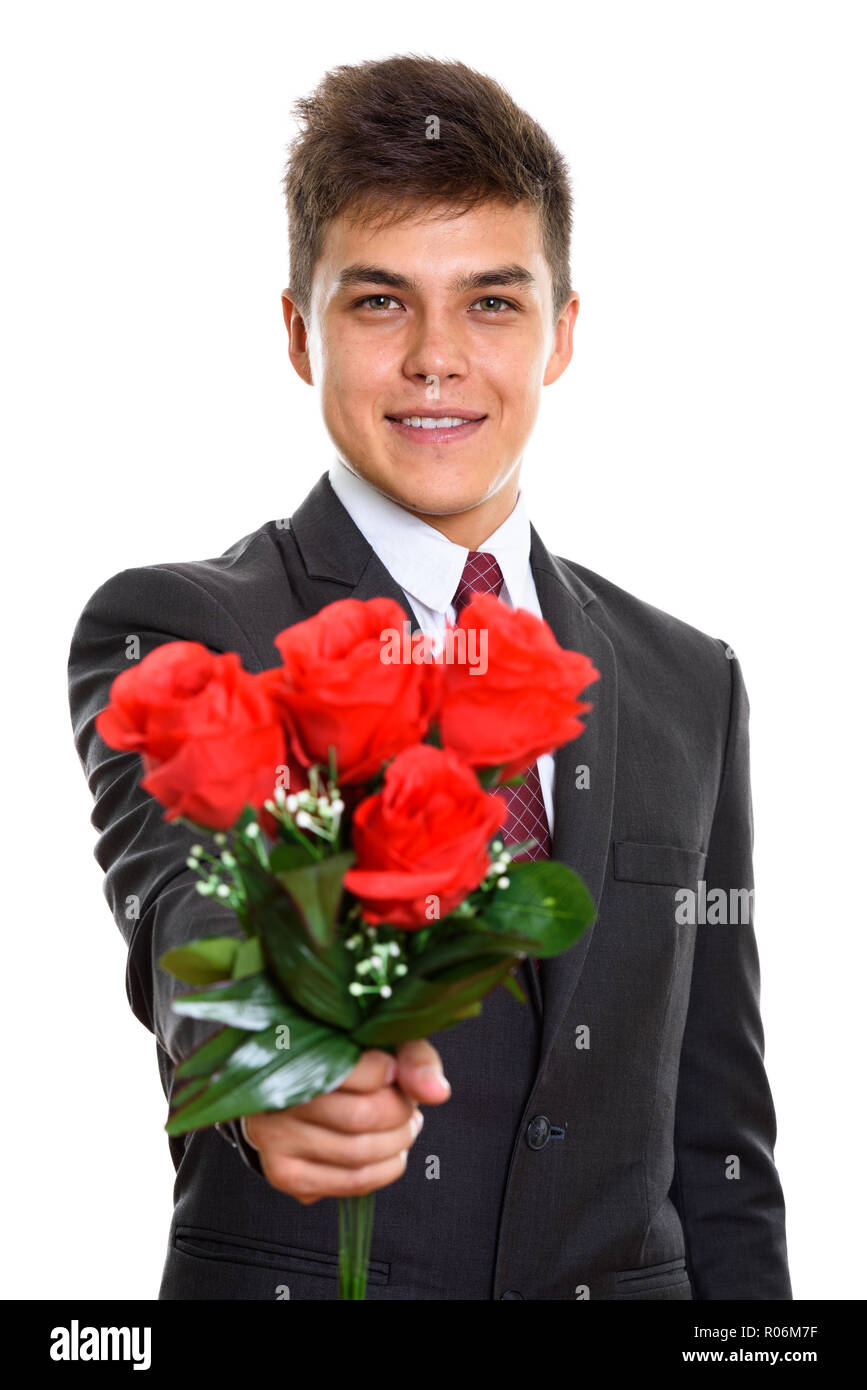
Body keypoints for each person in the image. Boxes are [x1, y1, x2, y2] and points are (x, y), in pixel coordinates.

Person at [67, 54, 792, 1300]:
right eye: (380, 303)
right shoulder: (179, 631)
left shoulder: (689, 680)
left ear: (563, 332)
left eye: (494, 303)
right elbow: (185, 898)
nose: (437, 360)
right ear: (301, 331)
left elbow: (719, 1132)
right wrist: (272, 1069)